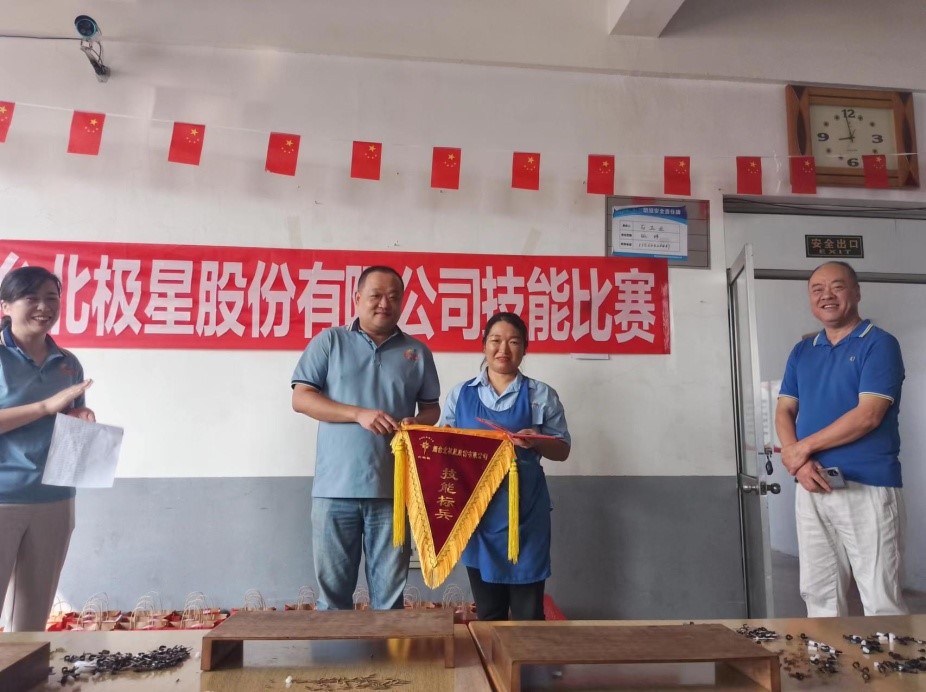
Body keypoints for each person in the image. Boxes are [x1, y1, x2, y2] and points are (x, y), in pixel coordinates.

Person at [291, 265, 440, 610]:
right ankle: (337, 650)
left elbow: (431, 409)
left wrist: (416, 423)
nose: (384, 303)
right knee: (333, 599)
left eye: (393, 297)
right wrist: (358, 413)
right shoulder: (330, 341)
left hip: (393, 492)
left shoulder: (417, 352)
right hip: (334, 490)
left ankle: (386, 649)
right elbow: (301, 398)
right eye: (375, 295)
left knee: (389, 600)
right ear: (357, 298)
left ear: (402, 302)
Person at [775, 261, 907, 617]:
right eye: (817, 289)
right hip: (812, 484)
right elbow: (785, 409)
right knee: (819, 595)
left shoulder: (879, 344)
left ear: (856, 292)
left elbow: (868, 415)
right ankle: (826, 657)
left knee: (880, 598)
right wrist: (799, 463)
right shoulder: (803, 350)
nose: (826, 296)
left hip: (867, 485)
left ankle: (891, 657)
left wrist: (800, 450)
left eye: (837, 286)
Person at [440, 312, 570, 621]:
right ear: (483, 345)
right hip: (478, 514)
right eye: (495, 341)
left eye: (513, 342)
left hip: (525, 514)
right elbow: (443, 446)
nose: (503, 349)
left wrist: (536, 441)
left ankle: (525, 655)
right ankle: (492, 655)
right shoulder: (461, 394)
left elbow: (563, 449)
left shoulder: (541, 394)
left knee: (528, 613)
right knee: (489, 612)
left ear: (525, 348)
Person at [0, 266, 94, 632]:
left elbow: (68, 417)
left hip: (54, 497)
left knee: (31, 620)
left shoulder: (67, 363)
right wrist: (43, 407)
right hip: (3, 496)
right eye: (31, 298)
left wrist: (79, 416)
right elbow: (48, 408)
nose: (44, 307)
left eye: (51, 298)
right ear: (5, 306)